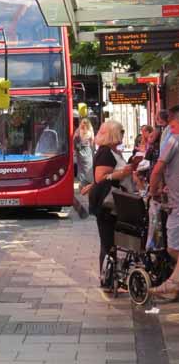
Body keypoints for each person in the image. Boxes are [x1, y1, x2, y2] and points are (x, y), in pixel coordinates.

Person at [87, 120, 136, 288]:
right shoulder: (105, 153)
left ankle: (110, 278)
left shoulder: (113, 151)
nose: (123, 134)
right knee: (108, 242)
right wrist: (123, 172)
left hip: (114, 204)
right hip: (107, 205)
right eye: (120, 131)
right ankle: (107, 280)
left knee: (110, 242)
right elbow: (100, 177)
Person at [148, 105, 179, 299]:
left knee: (173, 247)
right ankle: (173, 284)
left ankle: (172, 284)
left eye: (172, 123)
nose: (170, 128)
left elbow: (158, 168)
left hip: (177, 203)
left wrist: (153, 191)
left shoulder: (174, 140)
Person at [73, 118, 95, 190]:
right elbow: (92, 141)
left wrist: (75, 148)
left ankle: (82, 184)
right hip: (87, 150)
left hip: (80, 150)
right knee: (89, 167)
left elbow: (74, 139)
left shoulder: (78, 130)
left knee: (81, 168)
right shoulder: (90, 130)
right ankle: (88, 183)